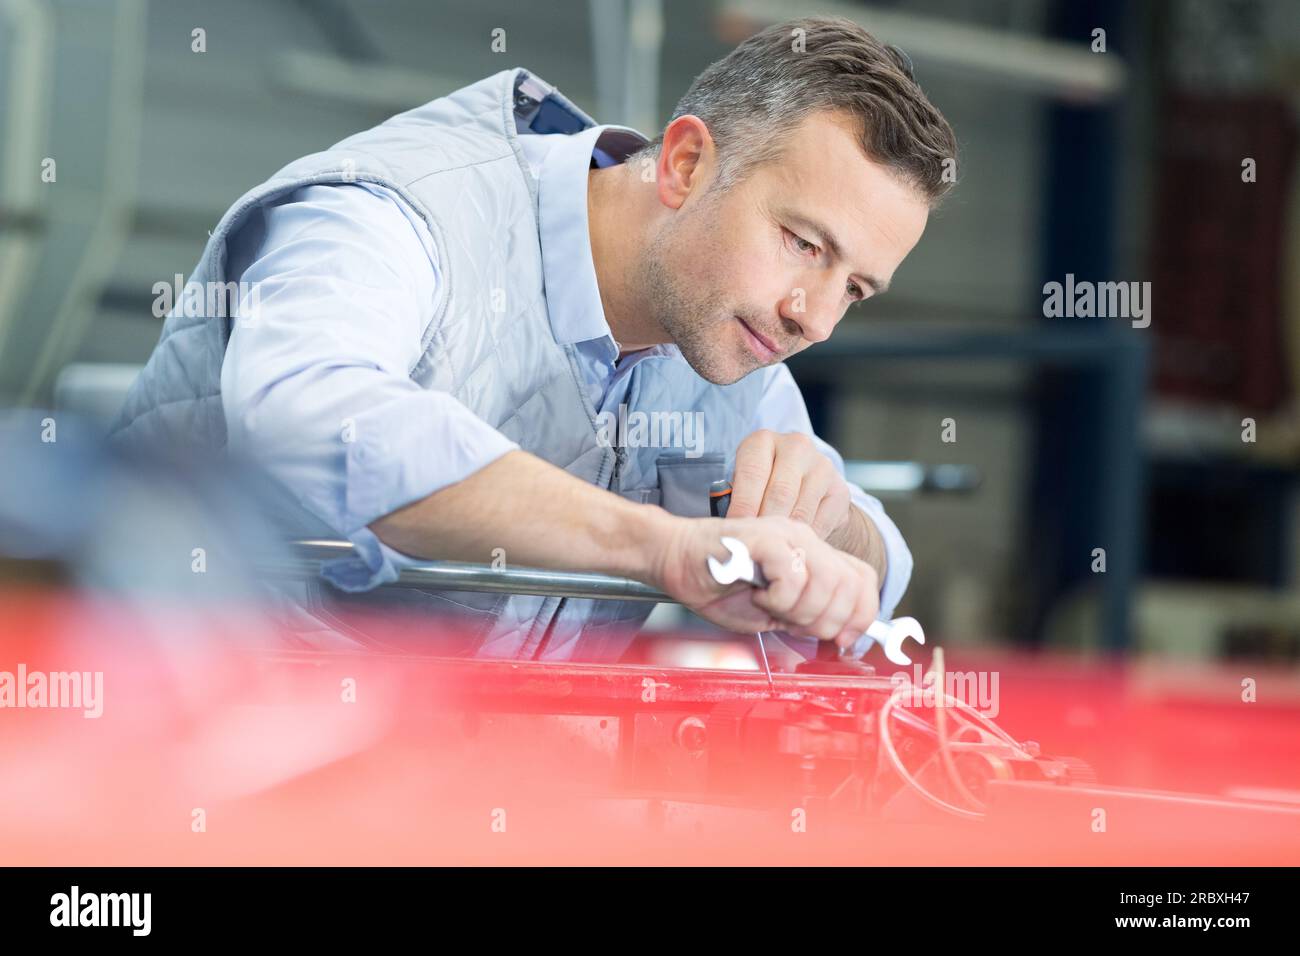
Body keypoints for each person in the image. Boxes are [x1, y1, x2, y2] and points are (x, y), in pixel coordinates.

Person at [110, 15, 957, 661]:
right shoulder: (397, 213)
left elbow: (882, 565)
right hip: (156, 748)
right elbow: (314, 417)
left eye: (855, 286)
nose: (815, 315)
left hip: (425, 792)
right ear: (687, 166)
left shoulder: (722, 330)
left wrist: (827, 523)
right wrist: (662, 549)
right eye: (805, 244)